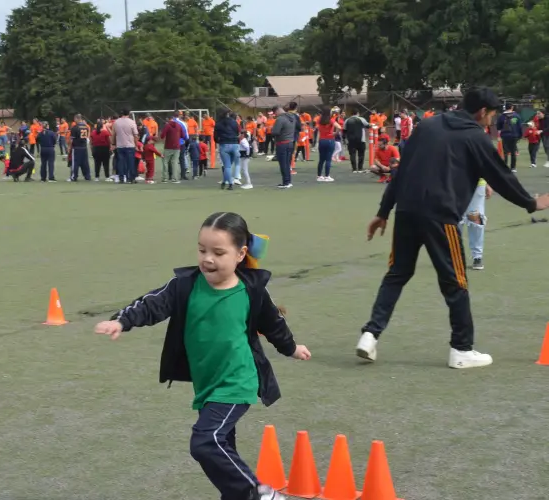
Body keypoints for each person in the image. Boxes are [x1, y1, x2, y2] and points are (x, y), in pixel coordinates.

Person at [95, 211, 310, 500]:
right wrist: (121, 321)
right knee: (223, 452)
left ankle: (260, 494)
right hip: (207, 384)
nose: (208, 258)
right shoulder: (185, 285)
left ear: (240, 254)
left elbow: (273, 323)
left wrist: (291, 349)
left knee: (206, 442)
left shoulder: (251, 290)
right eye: (202, 250)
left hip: (238, 381)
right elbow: (151, 304)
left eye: (218, 252)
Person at [358, 87, 549, 369]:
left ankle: (369, 335)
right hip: (440, 216)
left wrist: (383, 211)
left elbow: (402, 171)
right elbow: (500, 175)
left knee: (397, 274)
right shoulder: (476, 137)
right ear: (482, 112)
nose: (491, 121)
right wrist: (532, 204)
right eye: (492, 115)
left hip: (407, 211)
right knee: (455, 281)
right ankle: (461, 349)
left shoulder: (427, 126)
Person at [213, 108, 240, 190]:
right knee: (230, 165)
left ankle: (230, 183)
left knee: (227, 166)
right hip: (235, 144)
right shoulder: (234, 122)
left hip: (224, 144)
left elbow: (215, 136)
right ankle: (225, 182)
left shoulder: (218, 123)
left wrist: (219, 141)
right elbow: (238, 132)